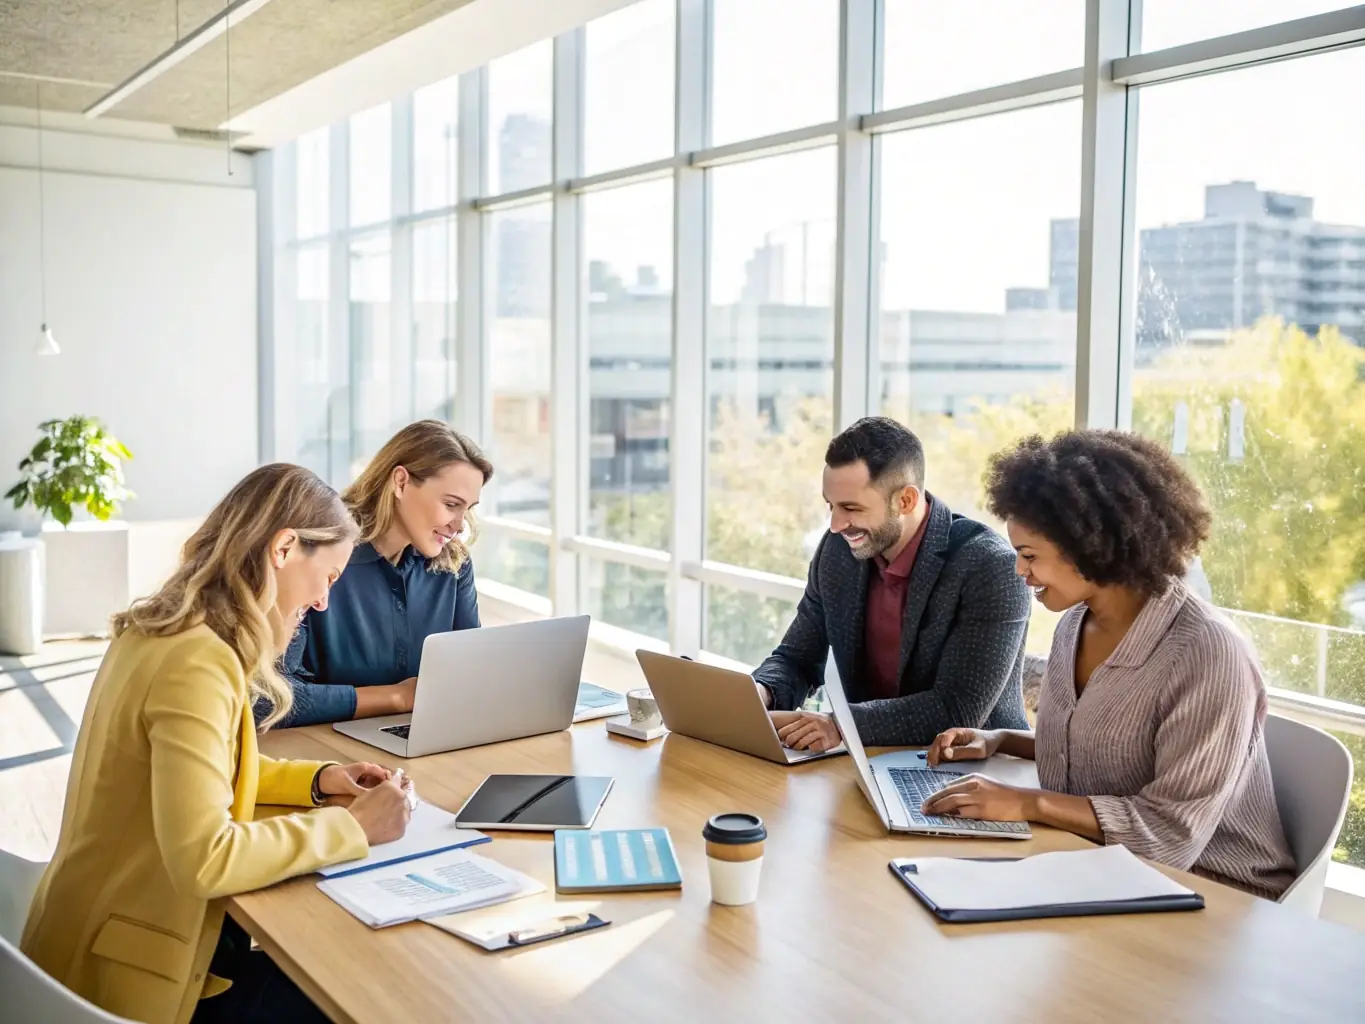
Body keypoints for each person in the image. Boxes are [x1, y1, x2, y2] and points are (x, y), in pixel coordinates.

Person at [22, 464, 413, 1024]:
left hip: (89, 937)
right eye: (327, 577)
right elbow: (205, 859)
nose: (325, 602)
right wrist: (355, 828)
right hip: (123, 979)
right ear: (283, 548)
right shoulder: (197, 661)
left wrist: (318, 780)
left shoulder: (165, 629)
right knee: (358, 993)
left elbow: (194, 774)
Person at [922, 430, 1296, 900]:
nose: (1020, 571)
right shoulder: (1075, 623)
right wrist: (1000, 741)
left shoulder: (1208, 653)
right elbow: (1107, 749)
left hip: (1214, 891)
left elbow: (1170, 835)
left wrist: (1027, 802)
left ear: (1086, 544)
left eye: (1029, 555)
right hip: (1099, 863)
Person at [753, 416, 1032, 751]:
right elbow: (797, 658)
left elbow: (956, 709)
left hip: (976, 772)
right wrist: (761, 691)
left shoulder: (989, 566)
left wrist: (840, 726)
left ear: (905, 501)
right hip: (869, 759)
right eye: (831, 506)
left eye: (851, 508)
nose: (836, 525)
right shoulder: (838, 551)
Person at [268, 420, 493, 727]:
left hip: (421, 739)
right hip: (321, 747)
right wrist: (396, 697)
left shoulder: (453, 566)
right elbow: (271, 697)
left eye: (467, 508)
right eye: (451, 504)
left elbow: (470, 673)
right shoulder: (319, 556)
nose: (459, 524)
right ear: (400, 482)